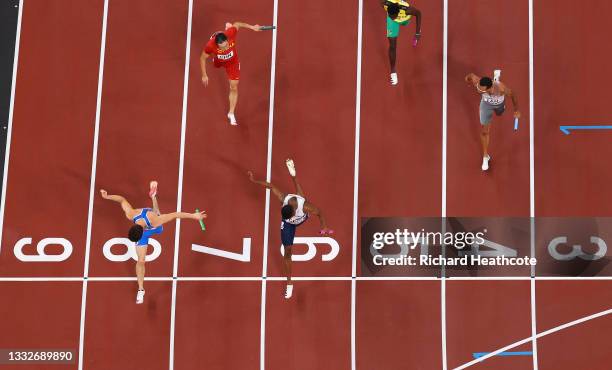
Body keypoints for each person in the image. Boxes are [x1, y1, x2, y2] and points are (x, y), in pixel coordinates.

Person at [100, 181, 207, 304]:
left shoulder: (154, 221)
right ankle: (141, 289)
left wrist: (194, 216)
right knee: (140, 261)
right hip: (145, 230)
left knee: (157, 213)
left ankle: (153, 197)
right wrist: (107, 196)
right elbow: (122, 200)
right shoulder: (131, 214)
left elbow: (175, 214)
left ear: (140, 233)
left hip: (153, 224)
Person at [247, 159, 333, 299]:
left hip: (302, 216)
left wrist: (324, 226)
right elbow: (269, 186)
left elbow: (320, 212)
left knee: (301, 195)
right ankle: (289, 282)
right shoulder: (283, 199)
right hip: (288, 225)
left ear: (294, 211)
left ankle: (293, 175)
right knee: (287, 252)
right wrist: (254, 180)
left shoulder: (305, 207)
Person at [200, 22, 262, 125]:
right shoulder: (210, 45)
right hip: (219, 60)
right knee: (215, 64)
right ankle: (217, 43)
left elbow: (237, 24)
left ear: (227, 40)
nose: (225, 48)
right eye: (222, 47)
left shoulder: (231, 34)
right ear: (216, 44)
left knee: (234, 86)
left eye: (226, 45)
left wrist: (252, 27)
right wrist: (204, 75)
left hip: (232, 63)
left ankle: (231, 112)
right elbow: (202, 58)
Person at [465, 72, 521, 171]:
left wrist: (516, 110)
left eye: (482, 90)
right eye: (479, 88)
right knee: (484, 131)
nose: (479, 90)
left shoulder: (501, 89)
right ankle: (485, 156)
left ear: (489, 88)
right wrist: (467, 80)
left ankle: (496, 78)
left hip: (499, 105)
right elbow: (470, 76)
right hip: (486, 106)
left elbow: (513, 95)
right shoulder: (478, 83)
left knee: (499, 114)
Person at [381, 0, 422, 85]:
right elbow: (390, 13)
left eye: (393, 16)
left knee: (405, 22)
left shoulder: (407, 10)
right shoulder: (385, 4)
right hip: (394, 23)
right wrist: (392, 18)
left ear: (398, 12)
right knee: (392, 45)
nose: (392, 18)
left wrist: (417, 33)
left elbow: (418, 13)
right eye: (390, 16)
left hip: (405, 18)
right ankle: (393, 71)